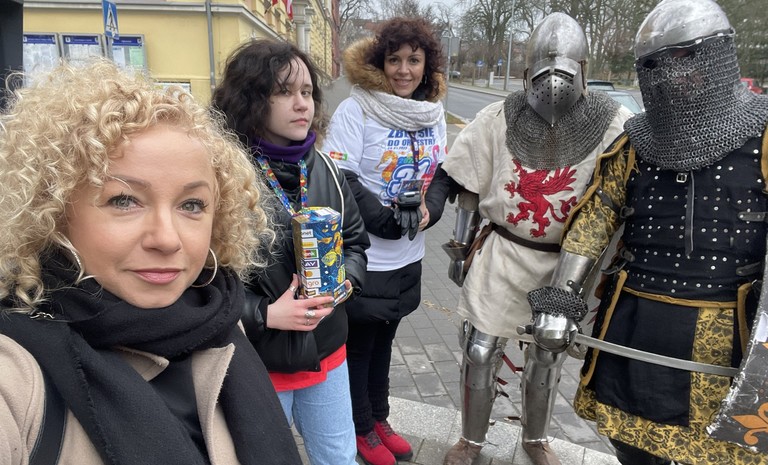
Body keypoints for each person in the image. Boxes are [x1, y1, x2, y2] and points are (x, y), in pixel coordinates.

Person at [0, 60, 302, 465]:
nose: (166, 239)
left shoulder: (219, 321)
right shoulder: (17, 375)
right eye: (124, 200)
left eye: (191, 204)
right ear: (52, 211)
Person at [527, 1, 768, 464]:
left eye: (684, 58)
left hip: (728, 334)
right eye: (655, 66)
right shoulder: (636, 144)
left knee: (726, 452)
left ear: (718, 54)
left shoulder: (764, 136)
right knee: (633, 446)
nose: (669, 76)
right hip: (635, 323)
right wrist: (559, 302)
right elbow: (594, 219)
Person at [439, 12, 634, 465]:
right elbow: (469, 185)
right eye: (543, 73)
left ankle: (535, 439)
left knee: (547, 357)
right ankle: (471, 440)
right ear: (527, 72)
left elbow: (622, 196)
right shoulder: (498, 117)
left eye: (564, 72)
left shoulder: (613, 123)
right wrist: (460, 248)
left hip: (567, 264)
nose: (553, 84)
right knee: (479, 350)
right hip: (502, 253)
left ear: (583, 69)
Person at [211, 39, 370, 465]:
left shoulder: (328, 169)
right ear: (250, 99)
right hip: (257, 362)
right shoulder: (220, 178)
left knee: (339, 458)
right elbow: (201, 280)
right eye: (283, 92)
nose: (302, 104)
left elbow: (356, 245)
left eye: (307, 92)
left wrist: (345, 285)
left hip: (328, 352)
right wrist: (264, 314)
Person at [321, 16, 453, 465]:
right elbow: (341, 175)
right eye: (394, 60)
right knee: (359, 348)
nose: (403, 70)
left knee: (385, 343)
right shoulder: (357, 109)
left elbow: (442, 172)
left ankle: (379, 418)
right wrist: (385, 222)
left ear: (426, 65)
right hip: (367, 255)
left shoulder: (432, 112)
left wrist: (431, 209)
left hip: (408, 255)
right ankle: (360, 429)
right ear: (380, 62)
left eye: (413, 60)